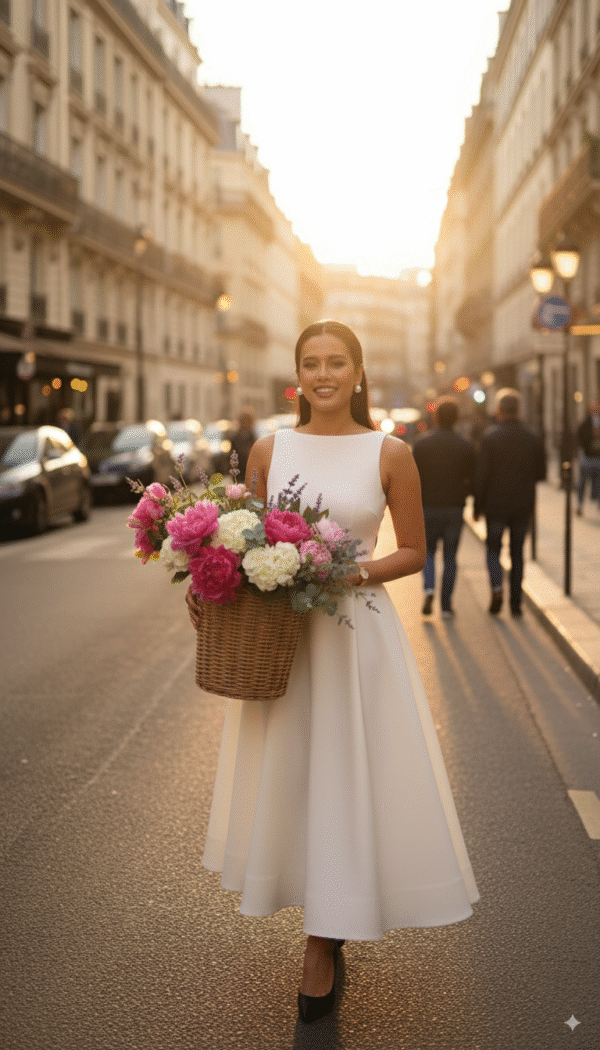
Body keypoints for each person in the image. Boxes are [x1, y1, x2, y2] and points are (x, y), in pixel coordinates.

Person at [186, 321, 479, 1024]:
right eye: (311, 364)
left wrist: (347, 569)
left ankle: (324, 941)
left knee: (346, 778)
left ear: (357, 373)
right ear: (298, 376)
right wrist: (210, 578)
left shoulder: (392, 453)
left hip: (354, 638)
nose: (323, 375)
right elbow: (240, 530)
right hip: (282, 637)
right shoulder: (267, 449)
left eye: (336, 363)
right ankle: (316, 908)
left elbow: (411, 550)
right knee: (294, 777)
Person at [473, 388, 546, 617]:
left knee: (493, 550)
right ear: (519, 410)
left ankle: (496, 588)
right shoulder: (533, 438)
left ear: (499, 411)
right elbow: (541, 474)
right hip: (523, 505)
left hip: (495, 506)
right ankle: (516, 603)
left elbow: (481, 476)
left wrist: (477, 506)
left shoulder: (490, 437)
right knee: (517, 553)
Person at [413, 396, 476, 618]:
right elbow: (473, 478)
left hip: (427, 508)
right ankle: (447, 605)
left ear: (435, 417)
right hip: (453, 508)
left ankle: (429, 588)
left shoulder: (421, 444)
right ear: (457, 419)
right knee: (450, 557)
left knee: (428, 552)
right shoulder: (466, 445)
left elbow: (412, 480)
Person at [576, 399, 600, 515]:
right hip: (587, 457)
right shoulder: (585, 423)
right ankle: (579, 504)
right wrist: (586, 448)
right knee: (582, 482)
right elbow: (580, 436)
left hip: (598, 457)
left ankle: (597, 501)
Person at [229, 406, 257, 481]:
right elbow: (231, 457)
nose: (246, 423)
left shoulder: (253, 437)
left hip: (251, 472)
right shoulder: (234, 438)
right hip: (239, 472)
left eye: (248, 420)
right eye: (244, 420)